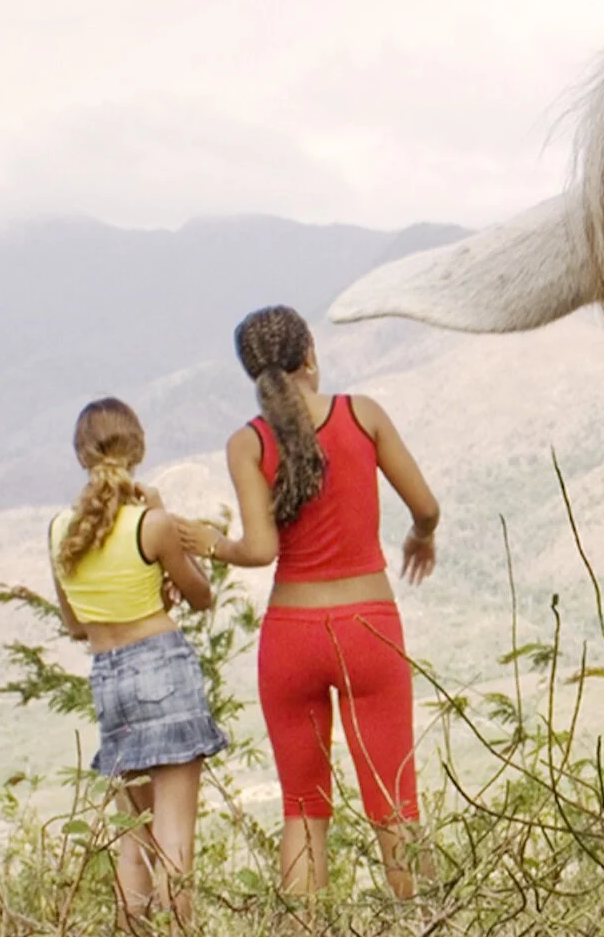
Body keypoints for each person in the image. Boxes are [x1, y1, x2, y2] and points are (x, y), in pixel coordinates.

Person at [181, 305, 440, 899]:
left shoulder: (247, 443)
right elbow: (425, 506)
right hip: (367, 630)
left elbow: (262, 549)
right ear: (312, 355)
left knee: (302, 808)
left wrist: (214, 545)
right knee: (394, 802)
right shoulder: (362, 415)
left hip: (290, 637)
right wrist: (420, 537)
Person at [48, 398, 227, 924]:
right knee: (175, 832)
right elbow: (202, 595)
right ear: (138, 449)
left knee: (134, 833)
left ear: (81, 454)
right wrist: (163, 513)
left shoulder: (60, 529)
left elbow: (76, 624)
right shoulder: (151, 523)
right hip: (164, 667)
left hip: (109, 678)